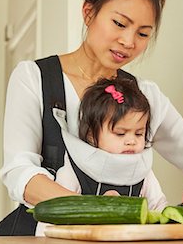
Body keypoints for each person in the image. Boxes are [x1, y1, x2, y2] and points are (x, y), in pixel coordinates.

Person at [0, 0, 183, 236]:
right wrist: (93, 210)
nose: (129, 42)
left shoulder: (145, 96)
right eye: (119, 23)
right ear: (88, 12)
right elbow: (19, 171)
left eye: (143, 33)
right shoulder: (34, 78)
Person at [35, 76, 168, 236]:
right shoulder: (75, 169)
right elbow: (53, 215)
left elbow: (159, 209)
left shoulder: (143, 172)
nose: (131, 141)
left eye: (139, 133)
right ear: (91, 135)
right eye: (120, 133)